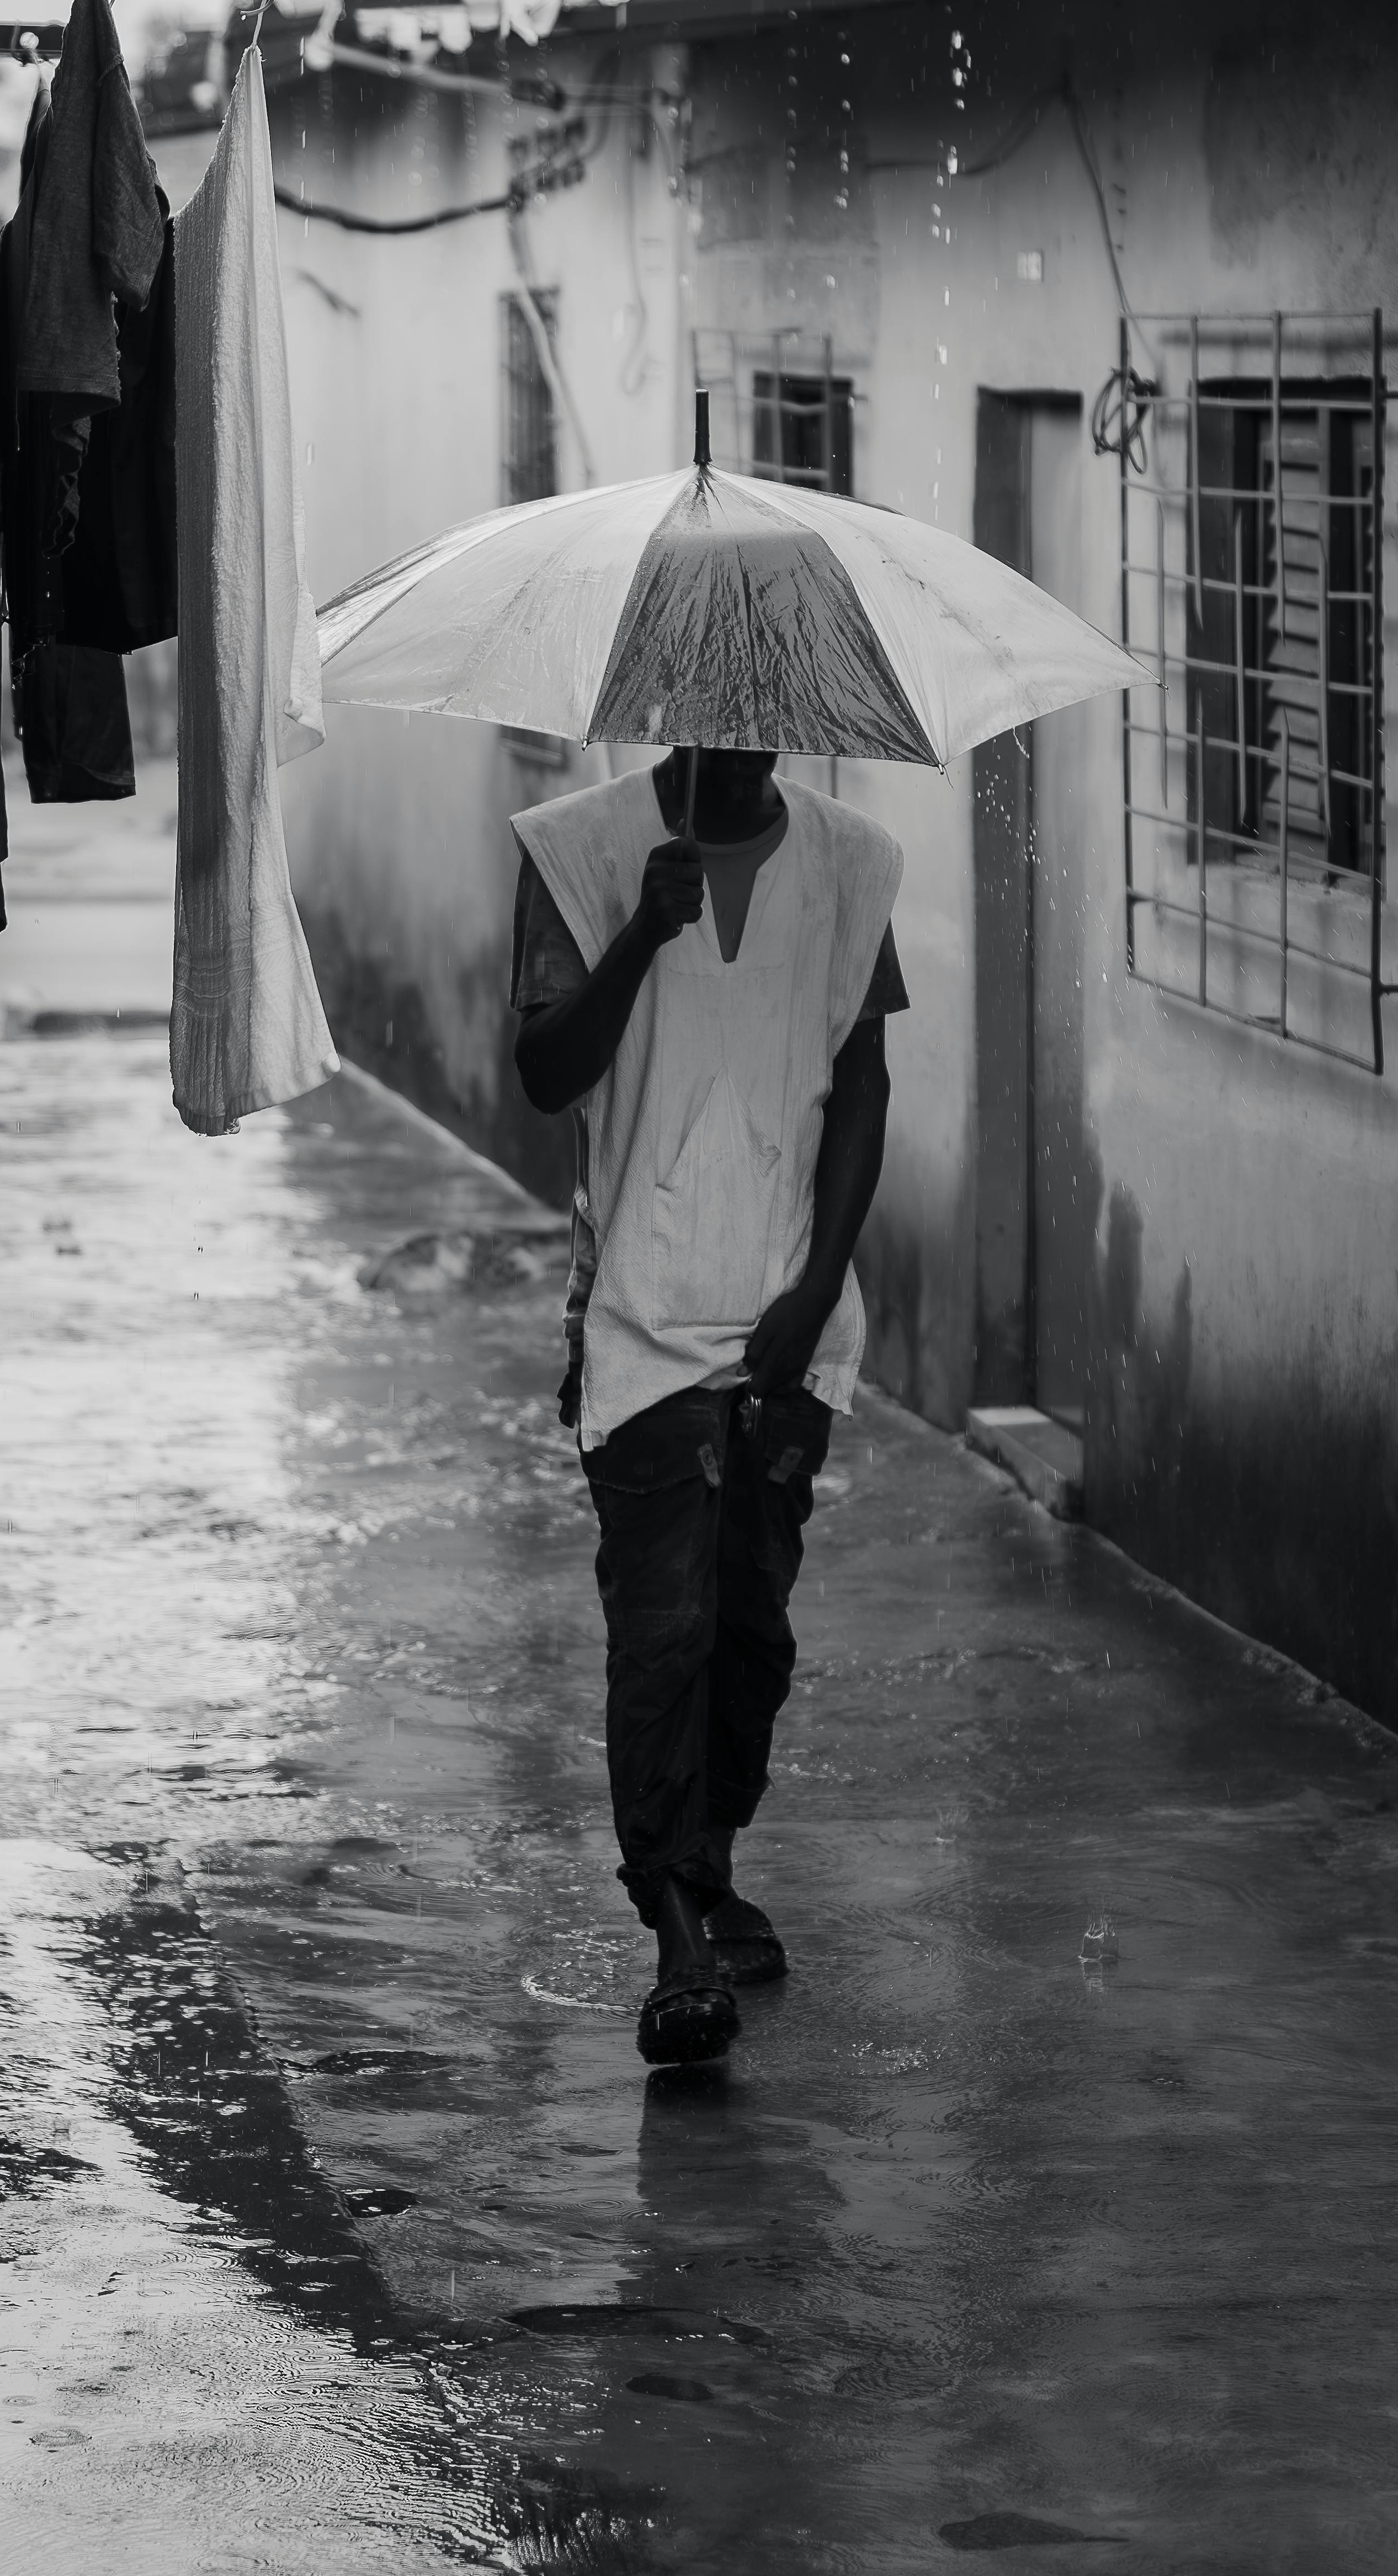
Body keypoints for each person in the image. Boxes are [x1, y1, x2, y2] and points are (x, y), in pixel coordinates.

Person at [511, 744, 906, 2066]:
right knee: (662, 1631)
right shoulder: (575, 848)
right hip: (640, 1315)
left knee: (750, 1631)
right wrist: (638, 933)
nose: (745, 722)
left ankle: (713, 1860)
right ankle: (674, 1928)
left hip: (790, 1319)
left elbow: (862, 1080)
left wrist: (815, 1287)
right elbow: (544, 1071)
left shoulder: (851, 865)